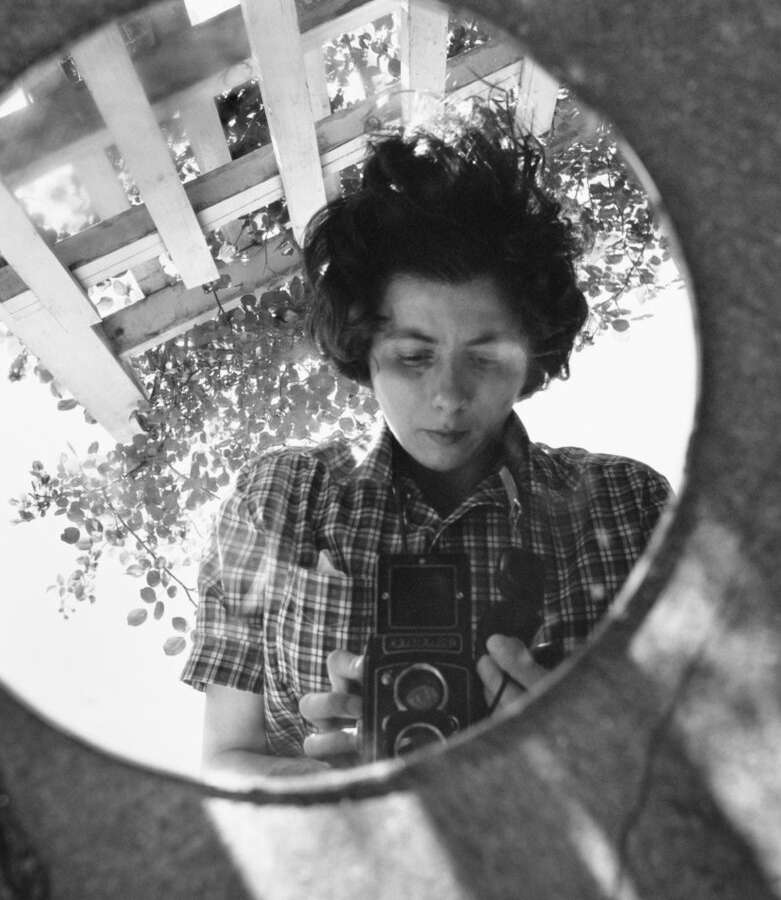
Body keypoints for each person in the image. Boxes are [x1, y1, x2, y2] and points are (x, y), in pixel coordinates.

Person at [179, 104, 672, 776]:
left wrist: (587, 760)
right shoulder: (280, 499)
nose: (448, 396)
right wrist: (338, 786)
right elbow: (228, 760)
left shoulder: (629, 507)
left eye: (486, 357)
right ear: (364, 348)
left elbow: (703, 757)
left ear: (531, 357)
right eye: (415, 356)